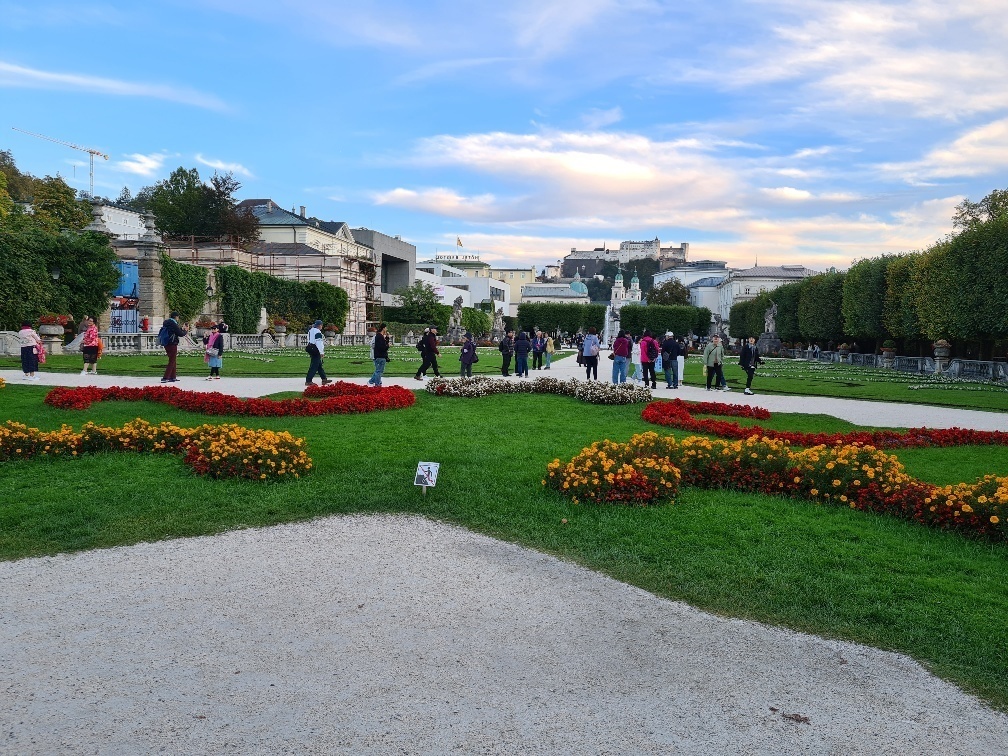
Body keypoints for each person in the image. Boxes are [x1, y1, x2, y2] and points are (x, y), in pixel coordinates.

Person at [160, 312, 188, 383]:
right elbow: (180, 334)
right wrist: (185, 330)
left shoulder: (166, 322)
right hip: (172, 343)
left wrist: (181, 328)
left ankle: (173, 377)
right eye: (178, 317)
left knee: (173, 359)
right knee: (172, 360)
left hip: (166, 343)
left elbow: (175, 331)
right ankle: (166, 377)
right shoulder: (173, 323)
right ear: (176, 317)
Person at [305, 319, 331, 386]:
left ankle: (324, 379)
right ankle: (308, 380)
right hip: (315, 349)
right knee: (314, 365)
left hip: (310, 347)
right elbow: (319, 342)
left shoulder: (311, 331)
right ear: (320, 325)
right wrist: (321, 352)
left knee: (319, 365)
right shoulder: (318, 332)